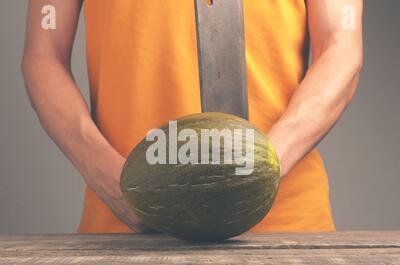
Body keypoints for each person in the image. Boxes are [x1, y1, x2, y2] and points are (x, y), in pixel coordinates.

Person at [22, 0, 363, 233]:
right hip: (125, 231)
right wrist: (110, 179)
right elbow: (43, 55)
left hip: (286, 228)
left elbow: (340, 47)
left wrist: (261, 168)